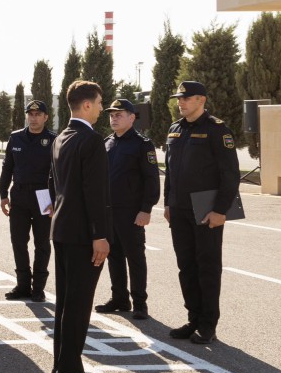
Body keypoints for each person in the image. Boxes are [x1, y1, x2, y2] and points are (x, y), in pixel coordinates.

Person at [162, 80, 240, 345]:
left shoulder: (217, 130)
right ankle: (193, 318)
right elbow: (169, 172)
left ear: (201, 100)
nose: (180, 102)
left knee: (207, 267)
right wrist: (168, 203)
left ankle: (208, 324)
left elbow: (229, 175)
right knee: (186, 266)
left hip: (206, 207)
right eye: (179, 98)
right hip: (180, 207)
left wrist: (221, 210)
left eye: (186, 98)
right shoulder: (175, 129)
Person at [49, 80, 111, 373]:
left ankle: (62, 365)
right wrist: (100, 235)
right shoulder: (91, 140)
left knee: (65, 302)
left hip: (62, 229)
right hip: (83, 235)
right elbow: (94, 193)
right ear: (86, 105)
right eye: (99, 103)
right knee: (78, 303)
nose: (102, 108)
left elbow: (55, 184)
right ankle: (71, 369)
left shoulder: (62, 137)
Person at [96, 98, 159, 319]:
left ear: (132, 118)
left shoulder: (142, 145)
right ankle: (120, 298)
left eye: (119, 114)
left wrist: (146, 209)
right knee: (113, 257)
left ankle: (140, 303)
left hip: (132, 213)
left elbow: (152, 179)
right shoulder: (107, 143)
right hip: (109, 212)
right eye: (112, 115)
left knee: (135, 258)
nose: (114, 118)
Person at [0, 99, 56, 302]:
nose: (33, 118)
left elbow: (58, 174)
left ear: (45, 117)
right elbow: (7, 167)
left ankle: (38, 288)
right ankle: (23, 285)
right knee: (18, 241)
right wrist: (3, 193)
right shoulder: (16, 138)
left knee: (42, 243)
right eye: (30, 114)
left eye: (38, 114)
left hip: (43, 197)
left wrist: (55, 200)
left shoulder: (53, 140)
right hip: (20, 195)